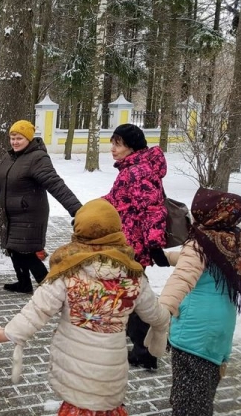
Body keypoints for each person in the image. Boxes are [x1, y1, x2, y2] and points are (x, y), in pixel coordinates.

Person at [0, 198, 170, 416]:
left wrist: (8, 332)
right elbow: (155, 313)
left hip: (75, 371)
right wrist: (161, 328)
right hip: (110, 372)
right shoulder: (133, 276)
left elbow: (37, 310)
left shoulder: (68, 272)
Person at [156, 187, 241, 416]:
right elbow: (204, 263)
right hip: (220, 331)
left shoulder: (200, 243)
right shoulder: (233, 239)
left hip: (194, 333)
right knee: (203, 391)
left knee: (190, 402)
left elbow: (183, 278)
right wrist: (166, 258)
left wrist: (160, 314)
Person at [0, 120, 82, 293]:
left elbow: (55, 184)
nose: (15, 142)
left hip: (30, 213)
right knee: (14, 249)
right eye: (12, 138)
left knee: (27, 253)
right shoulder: (8, 157)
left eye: (19, 138)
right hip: (12, 214)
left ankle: (50, 289)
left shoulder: (38, 158)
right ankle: (23, 284)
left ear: (29, 139)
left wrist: (77, 209)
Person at [103, 123, 168, 370]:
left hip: (133, 246)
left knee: (134, 296)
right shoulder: (131, 169)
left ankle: (147, 349)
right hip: (127, 243)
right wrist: (92, 211)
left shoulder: (138, 171)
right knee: (134, 294)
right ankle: (147, 347)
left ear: (132, 146)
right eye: (113, 143)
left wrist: (154, 246)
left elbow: (152, 209)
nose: (113, 149)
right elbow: (117, 200)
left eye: (118, 144)